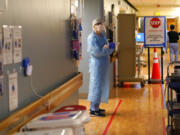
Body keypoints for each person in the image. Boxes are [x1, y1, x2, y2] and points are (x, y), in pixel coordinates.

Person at [87, 19, 115, 117]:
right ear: (93, 26)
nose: (100, 26)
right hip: (97, 64)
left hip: (103, 63)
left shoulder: (102, 35)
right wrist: (109, 49)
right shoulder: (92, 37)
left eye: (101, 24)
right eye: (97, 24)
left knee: (101, 86)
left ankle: (96, 107)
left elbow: (105, 47)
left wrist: (111, 46)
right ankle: (93, 110)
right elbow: (97, 52)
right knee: (96, 86)